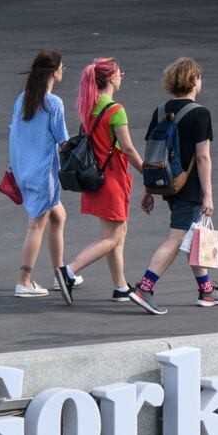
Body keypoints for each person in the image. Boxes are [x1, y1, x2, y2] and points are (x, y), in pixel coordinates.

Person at [128, 57, 218, 315]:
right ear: (194, 80)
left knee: (192, 235)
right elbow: (202, 157)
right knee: (177, 237)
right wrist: (208, 195)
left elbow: (153, 153)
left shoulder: (161, 110)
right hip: (191, 187)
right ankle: (145, 287)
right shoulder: (200, 113)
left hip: (168, 183)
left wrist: (148, 189)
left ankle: (206, 291)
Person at [54, 58, 145, 305]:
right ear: (110, 79)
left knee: (117, 234)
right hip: (113, 178)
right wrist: (147, 171)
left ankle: (120, 285)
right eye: (119, 73)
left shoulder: (90, 107)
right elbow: (127, 148)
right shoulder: (116, 110)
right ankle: (69, 271)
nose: (122, 76)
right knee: (112, 238)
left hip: (97, 178)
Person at [9, 50, 82, 298]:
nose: (64, 71)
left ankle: (60, 273)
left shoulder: (23, 99)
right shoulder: (53, 104)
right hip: (43, 174)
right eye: (62, 67)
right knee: (36, 226)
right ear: (54, 72)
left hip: (24, 171)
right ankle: (24, 280)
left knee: (59, 216)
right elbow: (63, 141)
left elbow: (14, 136)